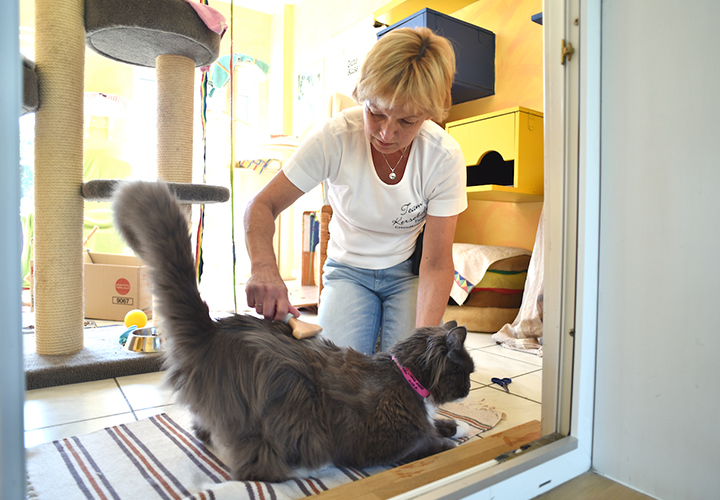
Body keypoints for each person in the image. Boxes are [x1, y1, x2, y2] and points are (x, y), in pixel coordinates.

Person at [244, 27, 467, 354]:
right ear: (362, 96)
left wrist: (424, 343)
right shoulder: (334, 137)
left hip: (407, 274)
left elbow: (435, 264)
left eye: (407, 122)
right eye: (375, 112)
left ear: (429, 115)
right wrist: (264, 267)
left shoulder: (444, 157)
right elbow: (261, 205)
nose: (387, 133)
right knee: (339, 373)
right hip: (347, 271)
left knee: (407, 372)